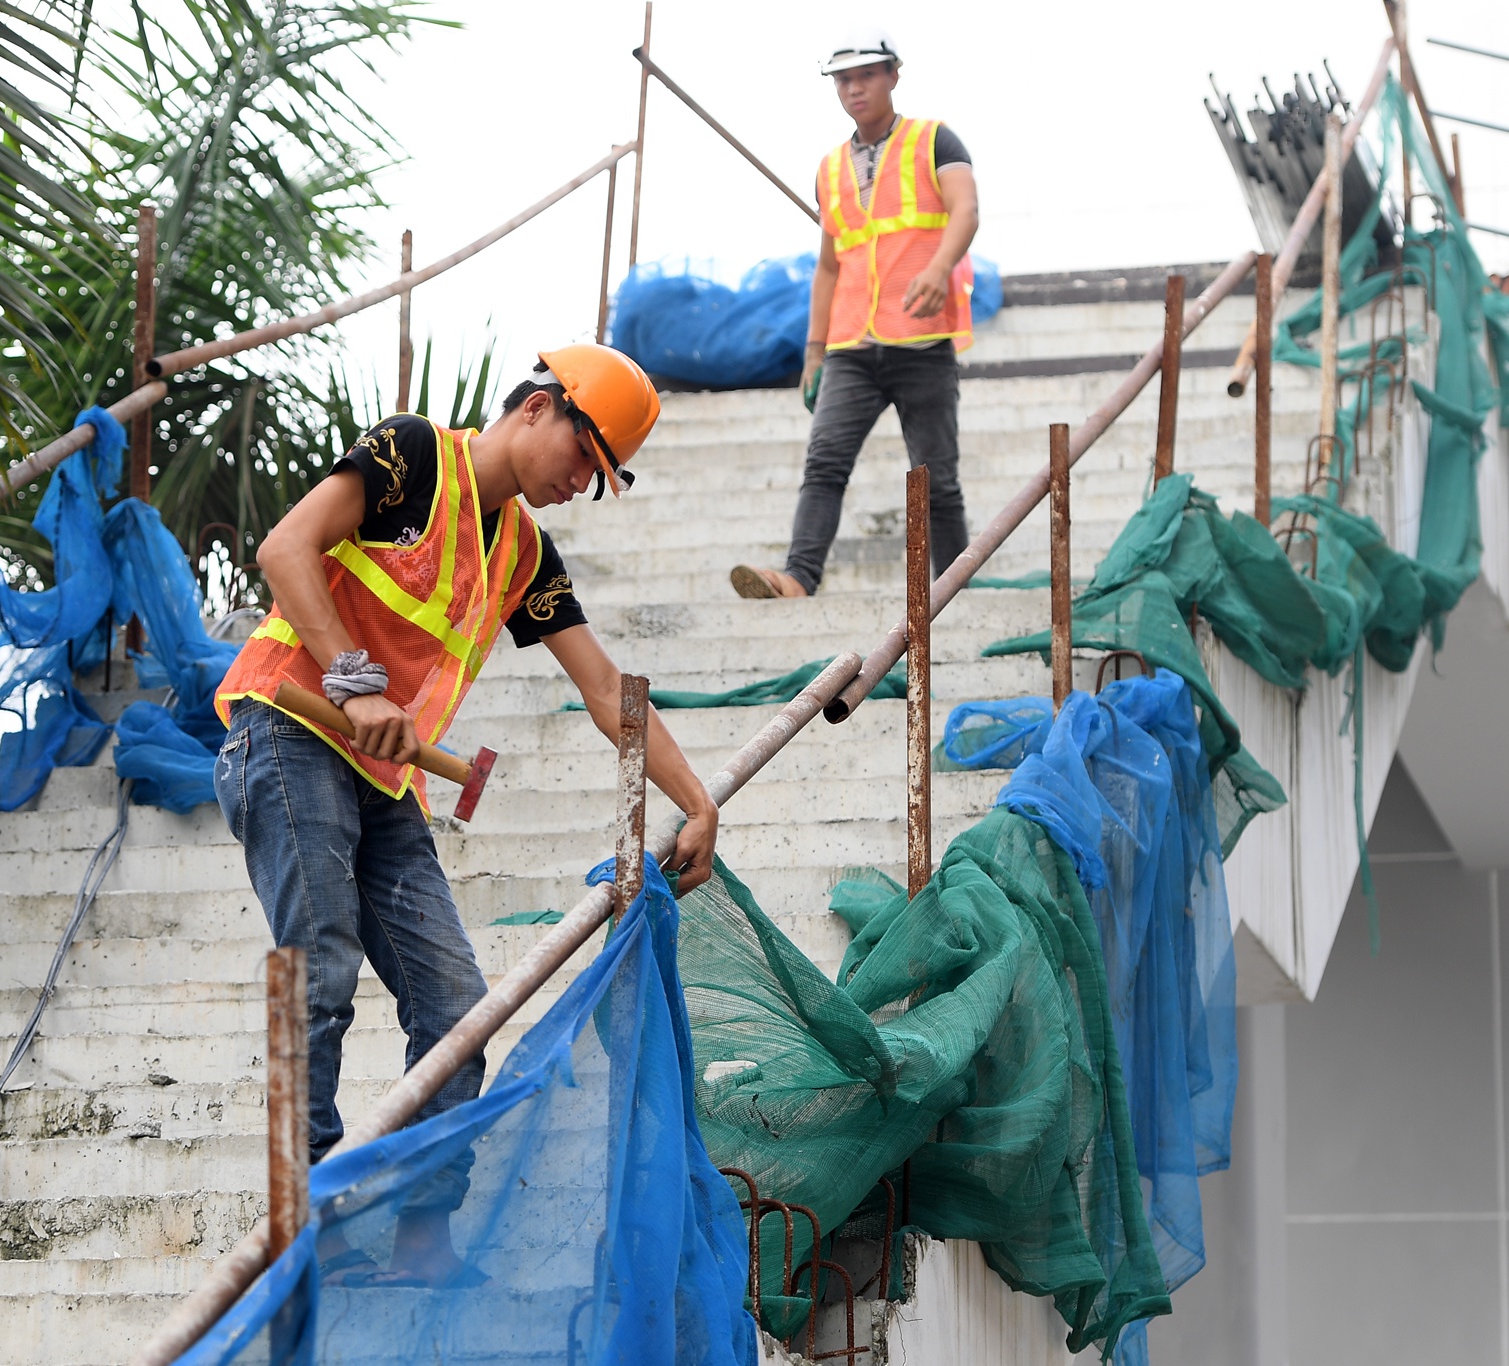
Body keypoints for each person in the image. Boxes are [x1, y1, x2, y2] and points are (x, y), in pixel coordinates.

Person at [211, 344, 720, 1285]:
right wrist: (358, 685)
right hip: (288, 726)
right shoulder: (410, 456)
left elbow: (606, 689)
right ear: (536, 409)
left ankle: (418, 1235)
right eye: (582, 458)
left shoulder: (525, 552)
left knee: (457, 1011)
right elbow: (283, 549)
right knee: (320, 968)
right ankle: (304, 1228)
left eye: (598, 478)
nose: (579, 485)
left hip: (382, 777)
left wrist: (697, 803)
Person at [731, 27, 980, 599]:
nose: (854, 88)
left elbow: (966, 210)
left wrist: (940, 268)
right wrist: (814, 352)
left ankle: (952, 591)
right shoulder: (830, 168)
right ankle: (797, 579)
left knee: (936, 479)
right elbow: (829, 266)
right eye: (844, 79)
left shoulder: (936, 140)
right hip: (851, 349)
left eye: (867, 75)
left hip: (921, 342)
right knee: (824, 463)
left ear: (894, 74)